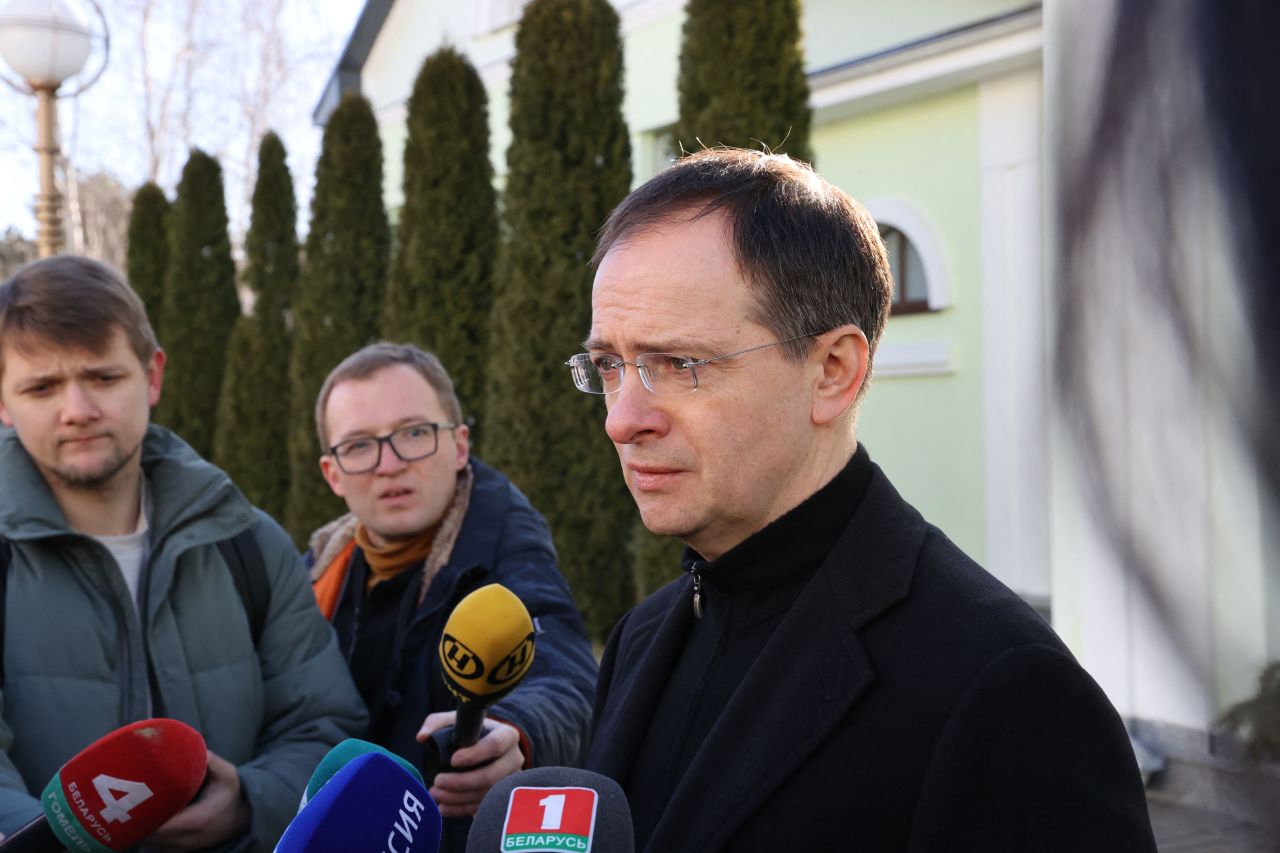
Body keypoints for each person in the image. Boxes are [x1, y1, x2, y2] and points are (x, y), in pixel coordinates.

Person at [574, 149, 1157, 851]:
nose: (622, 418)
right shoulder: (640, 639)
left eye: (678, 364)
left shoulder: (1003, 687)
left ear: (833, 371)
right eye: (610, 365)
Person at [0, 256, 366, 850]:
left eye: (102, 377)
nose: (77, 409)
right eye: (42, 387)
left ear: (152, 377)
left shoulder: (251, 545)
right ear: (4, 403)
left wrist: (250, 802)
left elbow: (326, 729)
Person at [306, 342, 597, 850]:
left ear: (460, 446)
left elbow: (566, 677)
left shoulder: (507, 547)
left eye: (414, 433)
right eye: (358, 445)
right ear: (333, 473)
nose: (389, 463)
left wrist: (516, 730)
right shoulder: (315, 571)